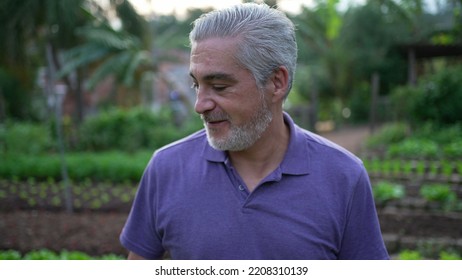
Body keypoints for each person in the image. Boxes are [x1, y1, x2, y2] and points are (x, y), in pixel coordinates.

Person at [119, 3, 389, 260]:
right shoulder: (166, 169)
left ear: (276, 82)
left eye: (220, 87)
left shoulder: (344, 177)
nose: (200, 105)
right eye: (196, 85)